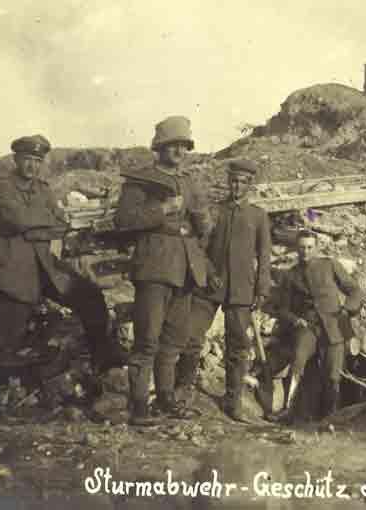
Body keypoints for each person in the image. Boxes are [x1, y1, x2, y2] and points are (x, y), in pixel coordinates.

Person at [0, 135, 125, 424]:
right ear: (16, 160)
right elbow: (16, 221)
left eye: (38, 161)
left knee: (90, 296)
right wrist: (42, 225)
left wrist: (37, 228)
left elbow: (60, 223)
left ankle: (102, 359)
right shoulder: (1, 187)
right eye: (27, 160)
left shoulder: (44, 190)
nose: (32, 166)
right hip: (14, 272)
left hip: (46, 269)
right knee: (3, 340)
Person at [114, 116, 212, 425]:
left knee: (173, 340)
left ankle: (166, 399)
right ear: (159, 148)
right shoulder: (140, 181)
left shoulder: (189, 182)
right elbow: (124, 220)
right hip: (155, 267)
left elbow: (202, 225)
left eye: (184, 146)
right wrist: (164, 209)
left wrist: (203, 220)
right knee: (148, 339)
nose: (180, 151)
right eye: (173, 145)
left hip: (185, 269)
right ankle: (140, 405)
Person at [189, 158, 271, 422]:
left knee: (238, 345)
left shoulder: (258, 216)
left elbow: (265, 255)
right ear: (228, 182)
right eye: (233, 181)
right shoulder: (216, 212)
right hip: (213, 286)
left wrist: (261, 289)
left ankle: (232, 400)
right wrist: (210, 274)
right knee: (192, 336)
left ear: (249, 185)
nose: (236, 186)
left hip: (241, 290)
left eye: (242, 182)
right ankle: (181, 392)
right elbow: (199, 248)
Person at [271, 230, 364, 423]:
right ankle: (288, 409)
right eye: (302, 248)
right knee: (297, 361)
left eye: (309, 247)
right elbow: (282, 308)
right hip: (308, 327)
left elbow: (354, 289)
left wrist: (347, 309)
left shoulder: (330, 265)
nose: (305, 251)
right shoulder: (291, 275)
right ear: (297, 249)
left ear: (316, 247)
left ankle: (330, 417)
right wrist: (296, 320)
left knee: (333, 374)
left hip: (335, 326)